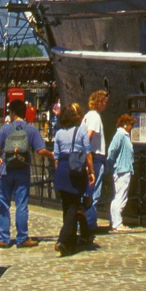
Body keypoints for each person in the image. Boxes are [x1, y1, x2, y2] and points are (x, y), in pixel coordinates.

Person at [0, 98, 52, 247]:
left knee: (3, 203)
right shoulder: (31, 129)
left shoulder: (5, 129)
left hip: (6, 170)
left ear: (12, 113)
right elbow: (40, 150)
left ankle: (3, 238)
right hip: (23, 169)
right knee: (21, 204)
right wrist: (52, 155)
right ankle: (22, 238)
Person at [52, 104, 94, 255]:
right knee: (74, 206)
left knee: (66, 206)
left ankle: (70, 243)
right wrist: (91, 171)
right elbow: (87, 152)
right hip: (75, 169)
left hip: (62, 169)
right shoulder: (81, 130)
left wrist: (58, 173)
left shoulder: (58, 133)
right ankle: (63, 239)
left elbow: (56, 157)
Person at [77, 89, 109, 233]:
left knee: (86, 192)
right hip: (96, 157)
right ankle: (89, 225)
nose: (106, 106)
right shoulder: (95, 117)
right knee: (93, 193)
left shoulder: (87, 116)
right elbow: (88, 136)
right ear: (100, 102)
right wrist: (87, 157)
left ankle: (83, 223)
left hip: (90, 156)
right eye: (105, 102)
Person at [107, 113, 135, 232]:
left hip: (122, 168)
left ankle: (115, 221)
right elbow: (112, 150)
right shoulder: (121, 135)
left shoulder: (123, 135)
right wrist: (112, 163)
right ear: (125, 124)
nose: (131, 127)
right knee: (121, 196)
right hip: (122, 169)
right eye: (130, 124)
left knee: (118, 196)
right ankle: (117, 223)